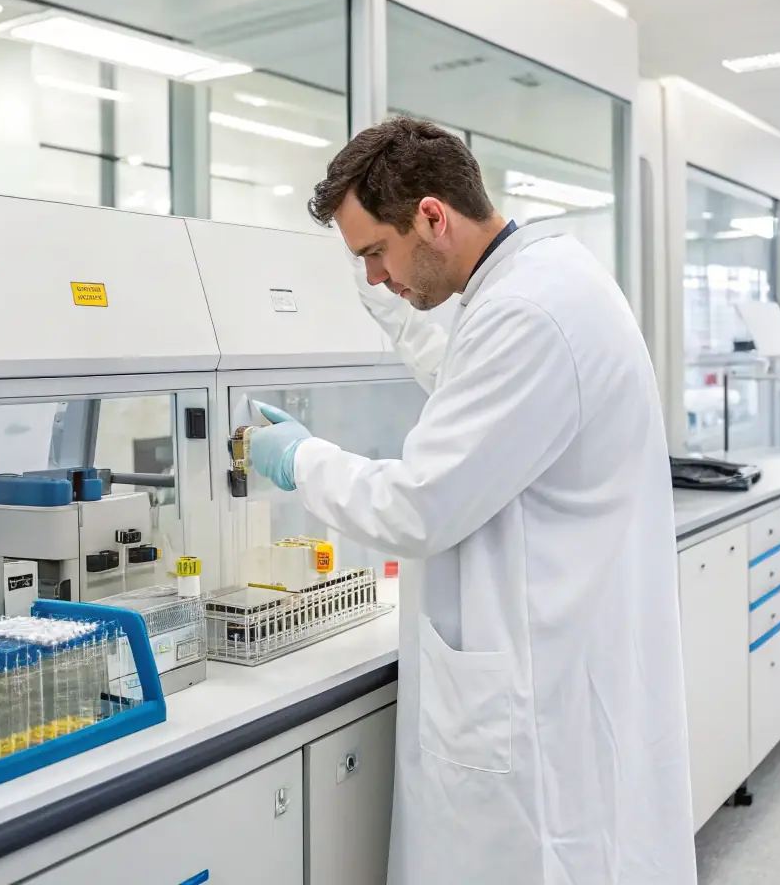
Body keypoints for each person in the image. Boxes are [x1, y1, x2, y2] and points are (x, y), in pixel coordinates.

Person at [249, 116, 696, 884]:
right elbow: (476, 387)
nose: (375, 277)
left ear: (431, 215)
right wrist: (394, 307)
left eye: (375, 254)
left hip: (534, 693)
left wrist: (304, 461)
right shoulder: (545, 278)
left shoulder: (526, 312)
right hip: (565, 652)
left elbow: (417, 505)